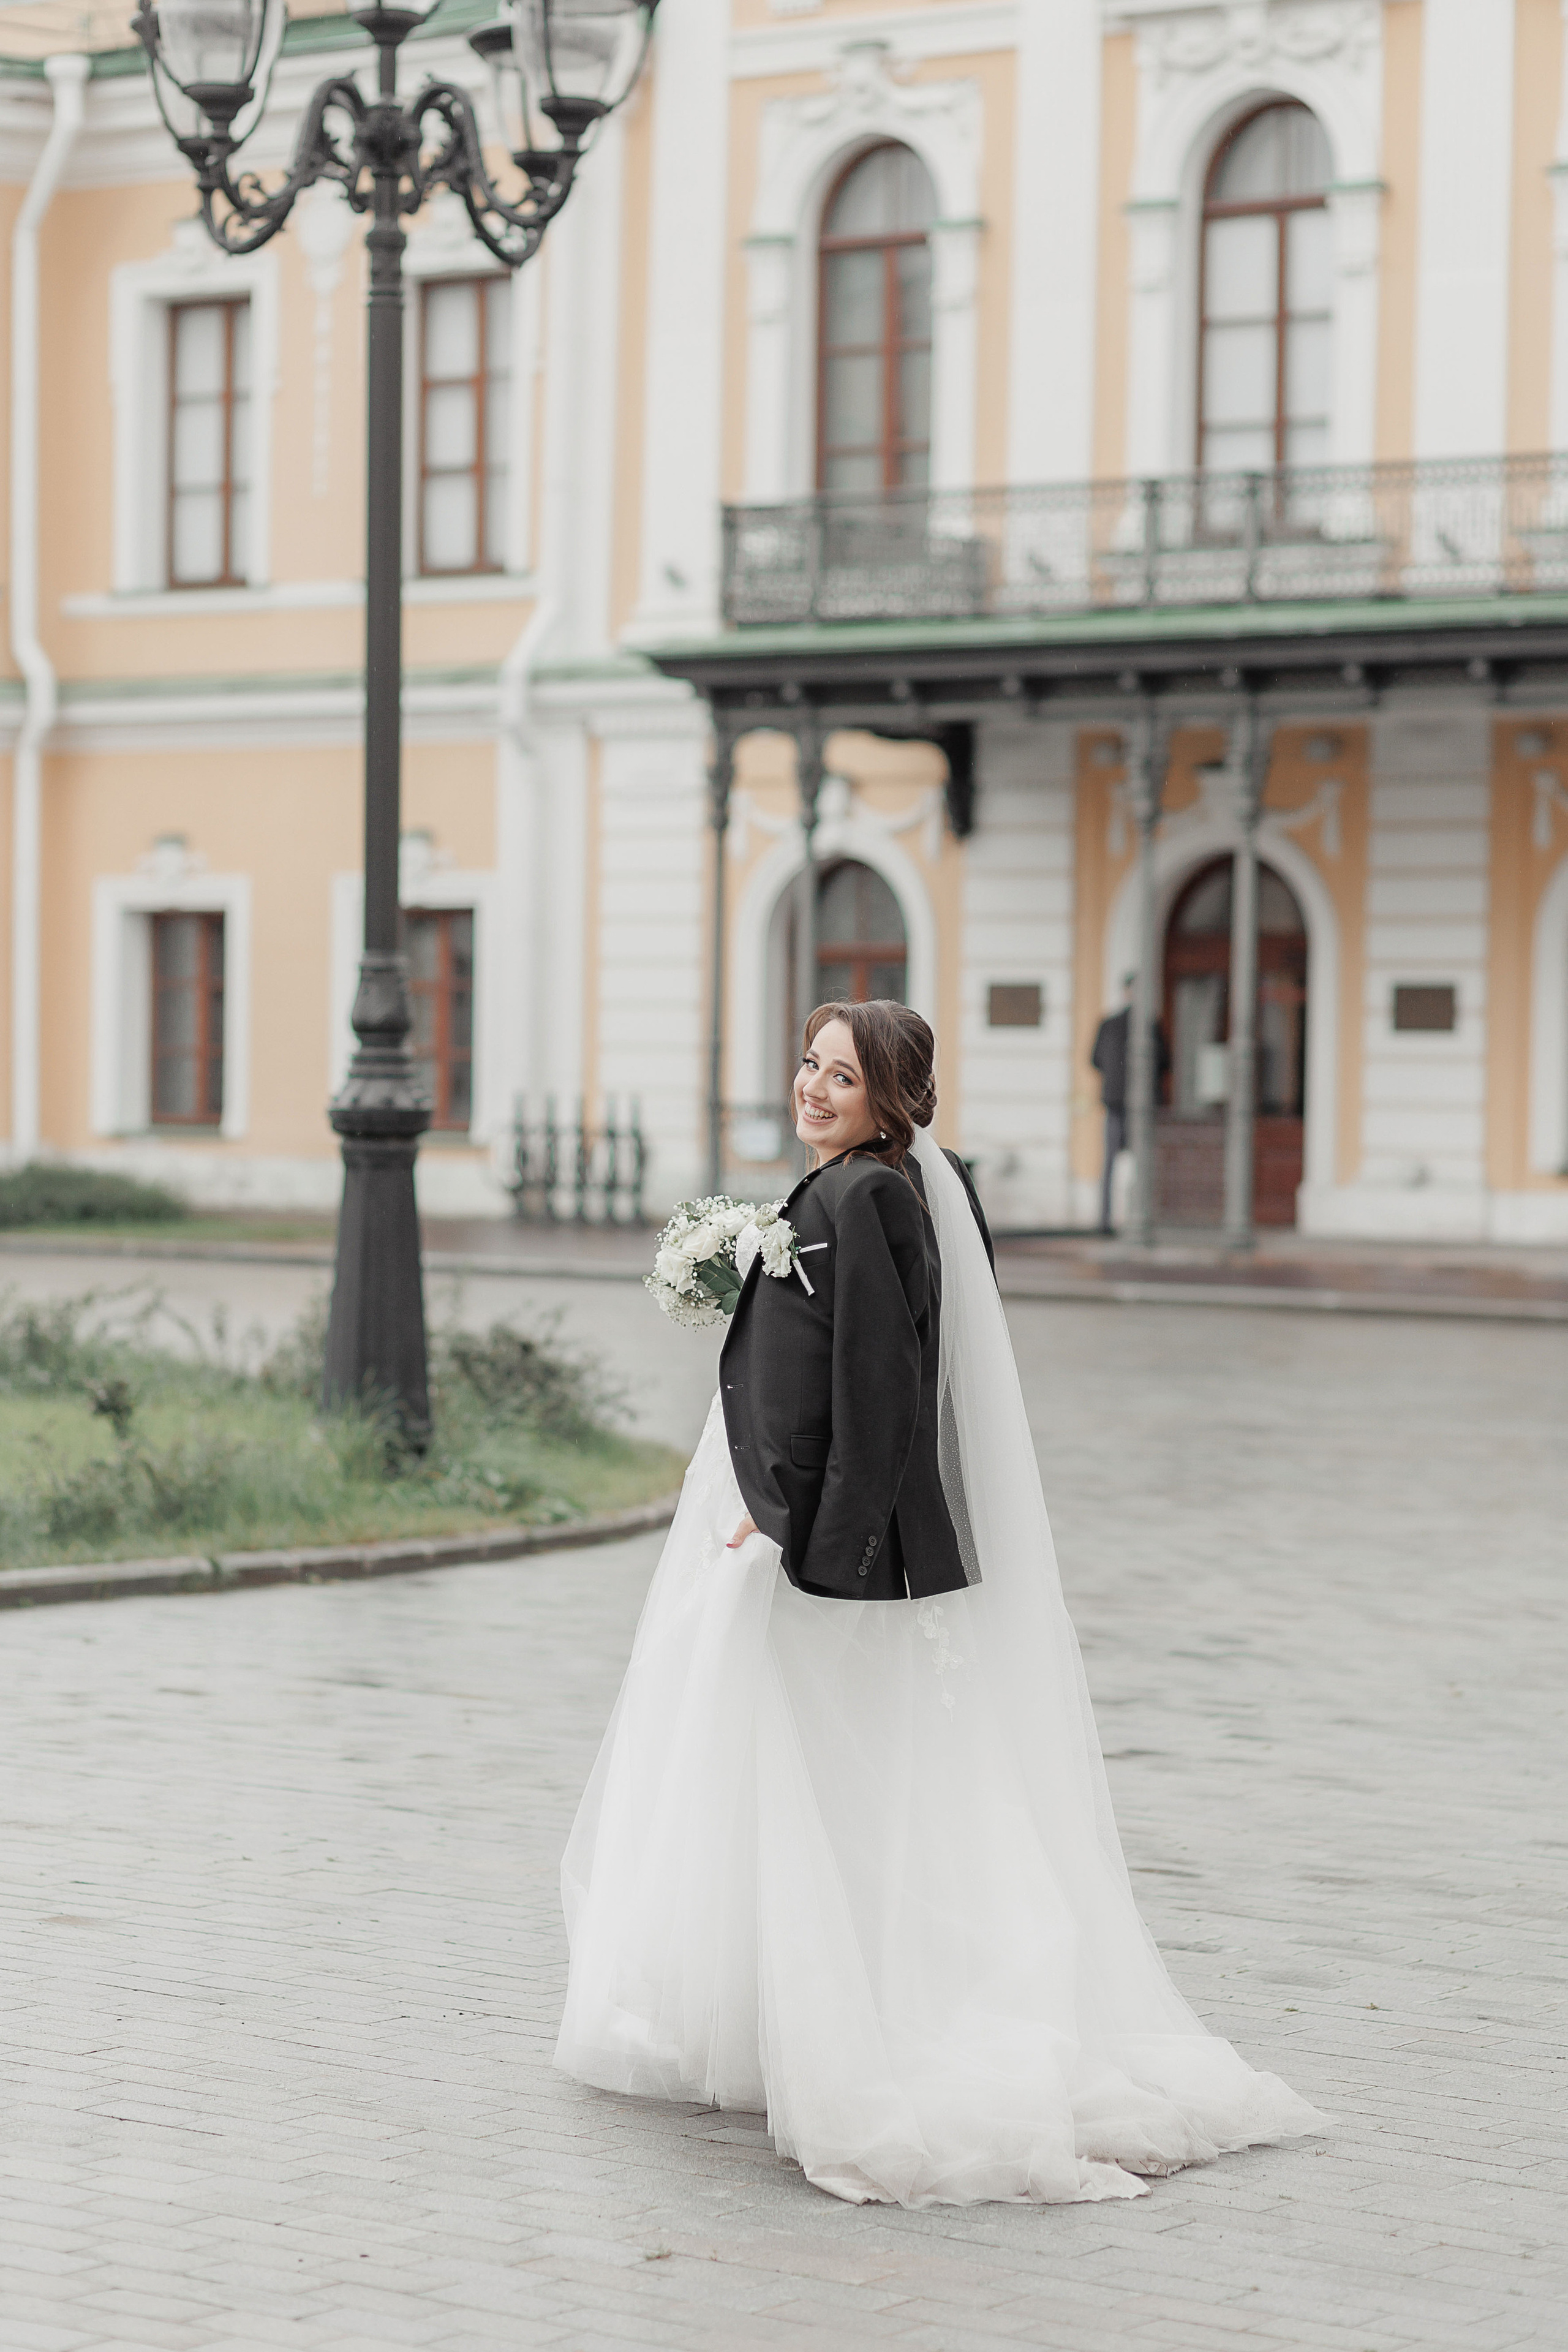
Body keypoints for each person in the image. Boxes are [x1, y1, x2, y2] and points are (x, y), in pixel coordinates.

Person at [555, 998, 1321, 2207]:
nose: (814, 1088)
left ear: (889, 1098)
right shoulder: (864, 1185)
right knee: (800, 1784)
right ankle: (777, 2021)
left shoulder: (865, 1198)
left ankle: (850, 2035)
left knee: (813, 1788)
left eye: (842, 1076)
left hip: (818, 1554)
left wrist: (810, 1537)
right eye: (809, 1063)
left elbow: (879, 1388)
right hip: (795, 1531)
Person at [1090, 976, 1169, 1235]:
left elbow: (1095, 1059)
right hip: (1134, 1106)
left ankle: (1107, 1220)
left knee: (1113, 1165)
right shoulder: (1148, 1025)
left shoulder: (1111, 1024)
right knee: (1140, 1164)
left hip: (1118, 1102)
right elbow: (1165, 1062)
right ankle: (1140, 1217)